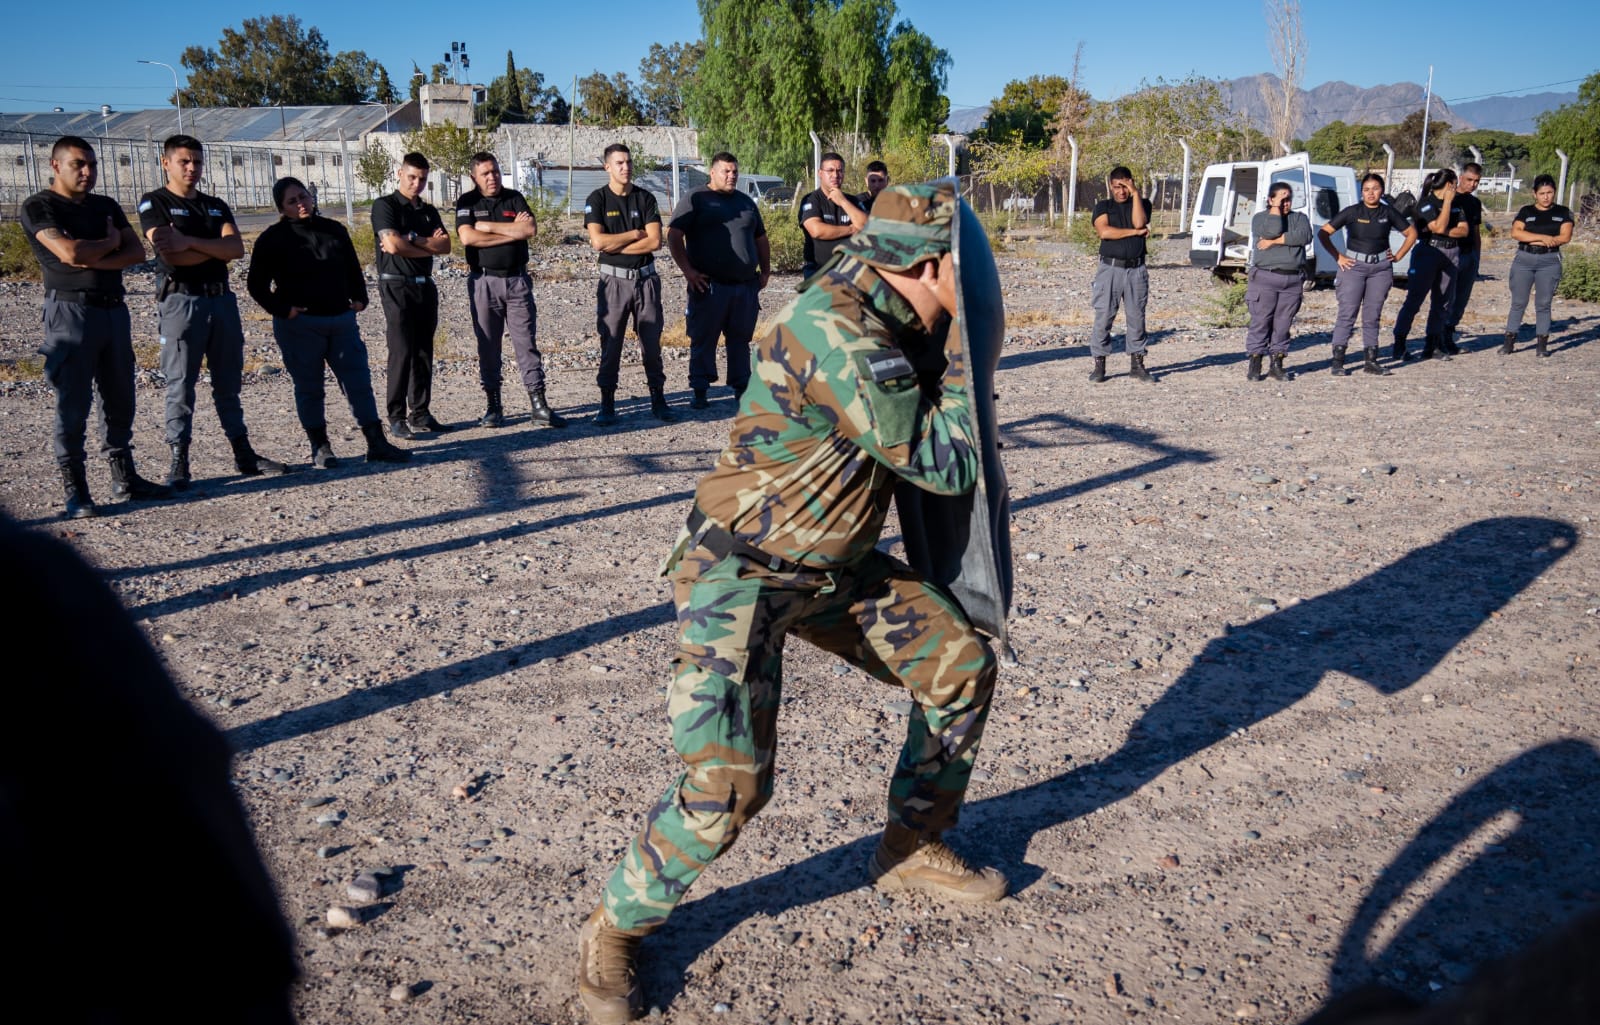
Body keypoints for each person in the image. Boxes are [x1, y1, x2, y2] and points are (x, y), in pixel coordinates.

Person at [577, 182, 1004, 1025]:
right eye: (951, 272)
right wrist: (962, 337)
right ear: (926, 266)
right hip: (744, 572)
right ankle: (614, 929)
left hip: (832, 567)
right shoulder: (839, 332)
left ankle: (911, 842)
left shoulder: (880, 282)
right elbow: (950, 460)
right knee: (730, 781)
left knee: (961, 665)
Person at [20, 135, 168, 518]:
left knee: (120, 397)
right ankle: (77, 489)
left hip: (113, 311)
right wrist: (109, 243)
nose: (88, 172)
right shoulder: (40, 206)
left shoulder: (105, 205)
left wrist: (95, 254)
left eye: (93, 164)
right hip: (71, 313)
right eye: (78, 164)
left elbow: (136, 252)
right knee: (73, 402)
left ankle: (124, 478)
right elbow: (68, 253)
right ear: (56, 166)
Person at [138, 134, 287, 488]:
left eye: (198, 162)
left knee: (228, 382)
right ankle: (179, 458)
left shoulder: (215, 205)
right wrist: (210, 248)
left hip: (221, 301)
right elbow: (167, 253)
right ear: (166, 163)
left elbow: (235, 248)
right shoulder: (154, 202)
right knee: (180, 384)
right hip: (181, 302)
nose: (192, 168)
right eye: (184, 161)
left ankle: (243, 453)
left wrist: (188, 241)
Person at [245, 177, 411, 468]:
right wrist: (284, 310)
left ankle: (376, 443)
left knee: (358, 382)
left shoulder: (333, 230)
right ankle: (320, 447)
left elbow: (351, 269)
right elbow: (256, 285)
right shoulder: (272, 239)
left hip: (341, 321)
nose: (301, 204)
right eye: (292, 201)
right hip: (300, 326)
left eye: (304, 196)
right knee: (309, 387)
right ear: (281, 208)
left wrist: (360, 299)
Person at [456, 152, 567, 429]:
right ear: (474, 177)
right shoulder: (467, 202)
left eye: (495, 171)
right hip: (484, 283)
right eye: (485, 173)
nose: (492, 177)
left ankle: (538, 405)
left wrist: (489, 228)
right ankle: (494, 407)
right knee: (488, 346)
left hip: (517, 282)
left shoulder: (514, 198)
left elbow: (529, 229)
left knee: (526, 344)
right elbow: (467, 237)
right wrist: (510, 231)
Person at [667, 152, 770, 410]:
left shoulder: (746, 202)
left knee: (740, 339)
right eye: (726, 171)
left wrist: (765, 271)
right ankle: (700, 390)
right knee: (703, 337)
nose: (731, 175)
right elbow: (674, 235)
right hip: (709, 286)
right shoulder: (696, 199)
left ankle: (741, 387)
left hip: (744, 286)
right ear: (712, 172)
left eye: (734, 171)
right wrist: (688, 271)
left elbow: (760, 238)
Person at [584, 143, 674, 425]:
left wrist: (616, 245)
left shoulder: (645, 198)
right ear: (607, 167)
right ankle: (607, 403)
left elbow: (655, 242)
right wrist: (634, 234)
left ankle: (658, 398)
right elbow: (597, 242)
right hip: (613, 282)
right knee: (611, 343)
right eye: (619, 163)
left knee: (651, 342)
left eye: (628, 162)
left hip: (646, 280)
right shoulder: (597, 199)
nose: (626, 167)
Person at [372, 152, 451, 438]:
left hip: (424, 285)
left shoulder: (428, 211)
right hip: (396, 285)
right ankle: (396, 416)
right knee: (402, 350)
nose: (417, 183)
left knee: (423, 351)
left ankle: (420, 412)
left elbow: (446, 246)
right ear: (399, 174)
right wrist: (426, 245)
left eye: (422, 179)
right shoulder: (386, 206)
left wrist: (414, 240)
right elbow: (392, 246)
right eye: (412, 177)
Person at [1319, 173, 1418, 377]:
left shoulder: (1388, 212)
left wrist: (1398, 256)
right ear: (1361, 191)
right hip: (1353, 267)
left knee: (1372, 316)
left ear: (1381, 190)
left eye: (1375, 189)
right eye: (1366, 189)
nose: (1370, 193)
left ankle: (1371, 361)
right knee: (1348, 313)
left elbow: (1412, 234)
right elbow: (1323, 233)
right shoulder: (1352, 211)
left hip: (1380, 268)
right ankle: (1338, 361)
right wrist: (1338, 256)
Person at [1391, 168, 1469, 362]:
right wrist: (1448, 204)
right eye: (1455, 183)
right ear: (1449, 184)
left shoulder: (1458, 206)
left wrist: (1445, 230)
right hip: (1428, 252)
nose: (1456, 187)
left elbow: (1464, 231)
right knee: (1414, 300)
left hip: (1451, 253)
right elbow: (1439, 227)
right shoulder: (1426, 204)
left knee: (1442, 302)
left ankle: (1432, 345)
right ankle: (1399, 343)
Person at [1088, 166, 1154, 383]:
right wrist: (1135, 234)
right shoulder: (1103, 206)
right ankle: (1100, 364)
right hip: (1110, 269)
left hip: (1136, 269)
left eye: (1125, 186)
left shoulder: (1142, 204)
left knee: (1137, 318)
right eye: (1117, 187)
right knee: (1104, 316)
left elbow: (1139, 221)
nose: (1121, 191)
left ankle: (1137, 363)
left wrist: (1136, 194)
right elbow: (1105, 232)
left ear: (1131, 184)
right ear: (1110, 186)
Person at [1244, 182, 1312, 381]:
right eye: (1281, 199)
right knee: (1261, 321)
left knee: (1283, 324)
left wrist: (1274, 242)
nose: (1285, 203)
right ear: (1270, 200)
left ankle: (1277, 363)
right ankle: (1255, 362)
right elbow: (1272, 230)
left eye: (1288, 199)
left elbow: (1304, 236)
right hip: (1265, 277)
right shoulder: (1260, 218)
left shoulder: (1299, 218)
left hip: (1291, 279)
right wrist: (1275, 212)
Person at [1502, 174, 1574, 358]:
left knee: (1543, 303)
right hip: (1524, 259)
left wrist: (1538, 238)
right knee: (1518, 301)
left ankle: (1542, 344)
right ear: (1534, 194)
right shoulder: (1526, 211)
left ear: (1554, 192)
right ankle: (1509, 341)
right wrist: (1543, 238)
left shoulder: (1563, 212)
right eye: (1542, 193)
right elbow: (1516, 233)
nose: (1546, 197)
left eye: (1549, 192)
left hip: (1549, 261)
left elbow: (1564, 237)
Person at [797, 150, 867, 278]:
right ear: (820, 173)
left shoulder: (852, 201)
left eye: (839, 171)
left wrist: (843, 202)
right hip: (819, 271)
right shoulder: (811, 200)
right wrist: (851, 229)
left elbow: (867, 227)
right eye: (830, 170)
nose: (835, 175)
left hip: (851, 270)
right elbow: (817, 230)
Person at [1446, 162, 1485, 339]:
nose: (1473, 184)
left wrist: (1477, 257)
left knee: (1462, 298)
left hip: (1469, 255)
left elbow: (1476, 231)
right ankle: (1439, 335)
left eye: (1477, 181)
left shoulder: (1475, 203)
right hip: (1451, 253)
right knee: (1447, 297)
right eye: (1469, 180)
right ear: (1461, 177)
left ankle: (1450, 330)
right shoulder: (1449, 198)